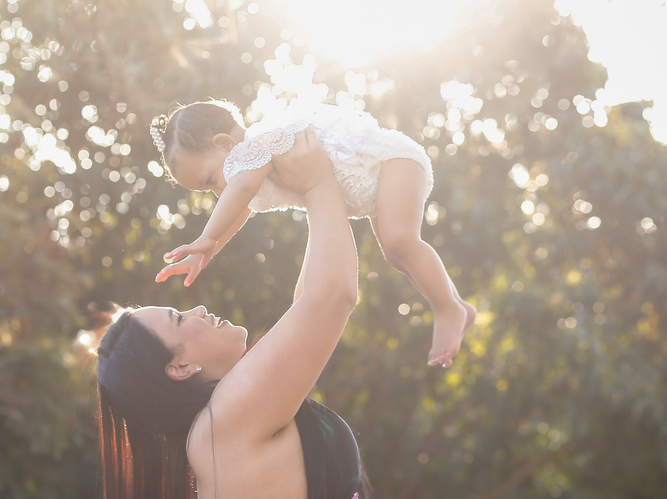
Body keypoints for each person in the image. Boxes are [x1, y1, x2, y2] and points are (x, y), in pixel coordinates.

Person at [96, 129, 388, 499]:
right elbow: (333, 294)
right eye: (180, 319)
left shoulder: (230, 413)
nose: (198, 309)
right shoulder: (227, 417)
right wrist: (315, 182)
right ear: (179, 368)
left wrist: (317, 193)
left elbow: (311, 295)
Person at [151, 99, 475, 368]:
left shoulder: (260, 144)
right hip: (372, 187)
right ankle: (458, 304)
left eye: (209, 181)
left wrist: (206, 236)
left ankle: (448, 307)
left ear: (225, 144)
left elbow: (241, 188)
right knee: (391, 255)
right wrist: (210, 249)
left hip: (390, 161)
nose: (217, 193)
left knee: (400, 241)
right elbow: (242, 206)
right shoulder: (250, 171)